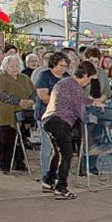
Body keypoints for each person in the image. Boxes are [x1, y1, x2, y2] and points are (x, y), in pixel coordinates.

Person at [41, 61, 104, 199]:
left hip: (49, 120)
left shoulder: (65, 82)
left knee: (58, 152)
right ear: (85, 75)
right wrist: (92, 118)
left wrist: (93, 102)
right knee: (67, 153)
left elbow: (82, 100)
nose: (88, 83)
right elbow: (81, 109)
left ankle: (48, 180)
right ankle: (61, 187)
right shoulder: (75, 87)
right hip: (60, 121)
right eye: (89, 79)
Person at [0, 55, 36, 173]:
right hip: (5, 113)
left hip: (23, 113)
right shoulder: (0, 78)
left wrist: (31, 101)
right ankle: (5, 165)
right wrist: (18, 101)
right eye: (12, 66)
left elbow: (34, 91)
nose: (15, 68)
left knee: (21, 139)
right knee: (6, 139)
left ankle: (18, 162)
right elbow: (0, 94)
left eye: (17, 66)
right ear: (6, 66)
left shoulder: (24, 78)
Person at [34, 52, 71, 180]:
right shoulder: (44, 76)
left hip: (62, 117)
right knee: (48, 146)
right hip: (46, 115)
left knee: (59, 148)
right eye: (61, 65)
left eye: (65, 66)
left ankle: (56, 173)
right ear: (54, 64)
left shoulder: (67, 77)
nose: (63, 68)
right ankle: (46, 174)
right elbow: (43, 97)